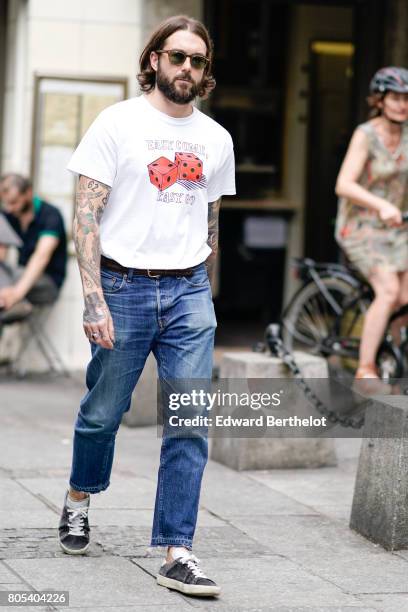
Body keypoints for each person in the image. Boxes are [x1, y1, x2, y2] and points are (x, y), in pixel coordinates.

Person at [58, 15, 235, 597]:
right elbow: (85, 215)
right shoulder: (117, 124)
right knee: (103, 412)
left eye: (198, 61)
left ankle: (177, 549)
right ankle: (80, 496)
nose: (187, 68)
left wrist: (204, 290)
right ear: (155, 59)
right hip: (124, 288)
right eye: (177, 56)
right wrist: (93, 300)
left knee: (189, 422)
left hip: (187, 291)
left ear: (206, 72)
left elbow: (210, 220)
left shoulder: (216, 138)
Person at [335, 67, 408, 380]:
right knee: (389, 290)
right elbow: (344, 185)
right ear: (380, 100)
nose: (401, 104)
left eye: (406, 98)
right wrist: (381, 205)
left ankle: (392, 362)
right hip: (361, 226)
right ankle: (366, 368)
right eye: (395, 98)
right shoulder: (366, 134)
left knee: (406, 297)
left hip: (398, 227)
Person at [0, 174, 67, 316]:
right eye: (6, 203)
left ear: (28, 193)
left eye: (13, 202)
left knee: (16, 278)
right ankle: (15, 307)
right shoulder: (9, 214)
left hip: (48, 283)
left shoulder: (51, 215)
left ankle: (18, 305)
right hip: (19, 278)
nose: (9, 208)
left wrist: (16, 294)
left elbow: (41, 257)